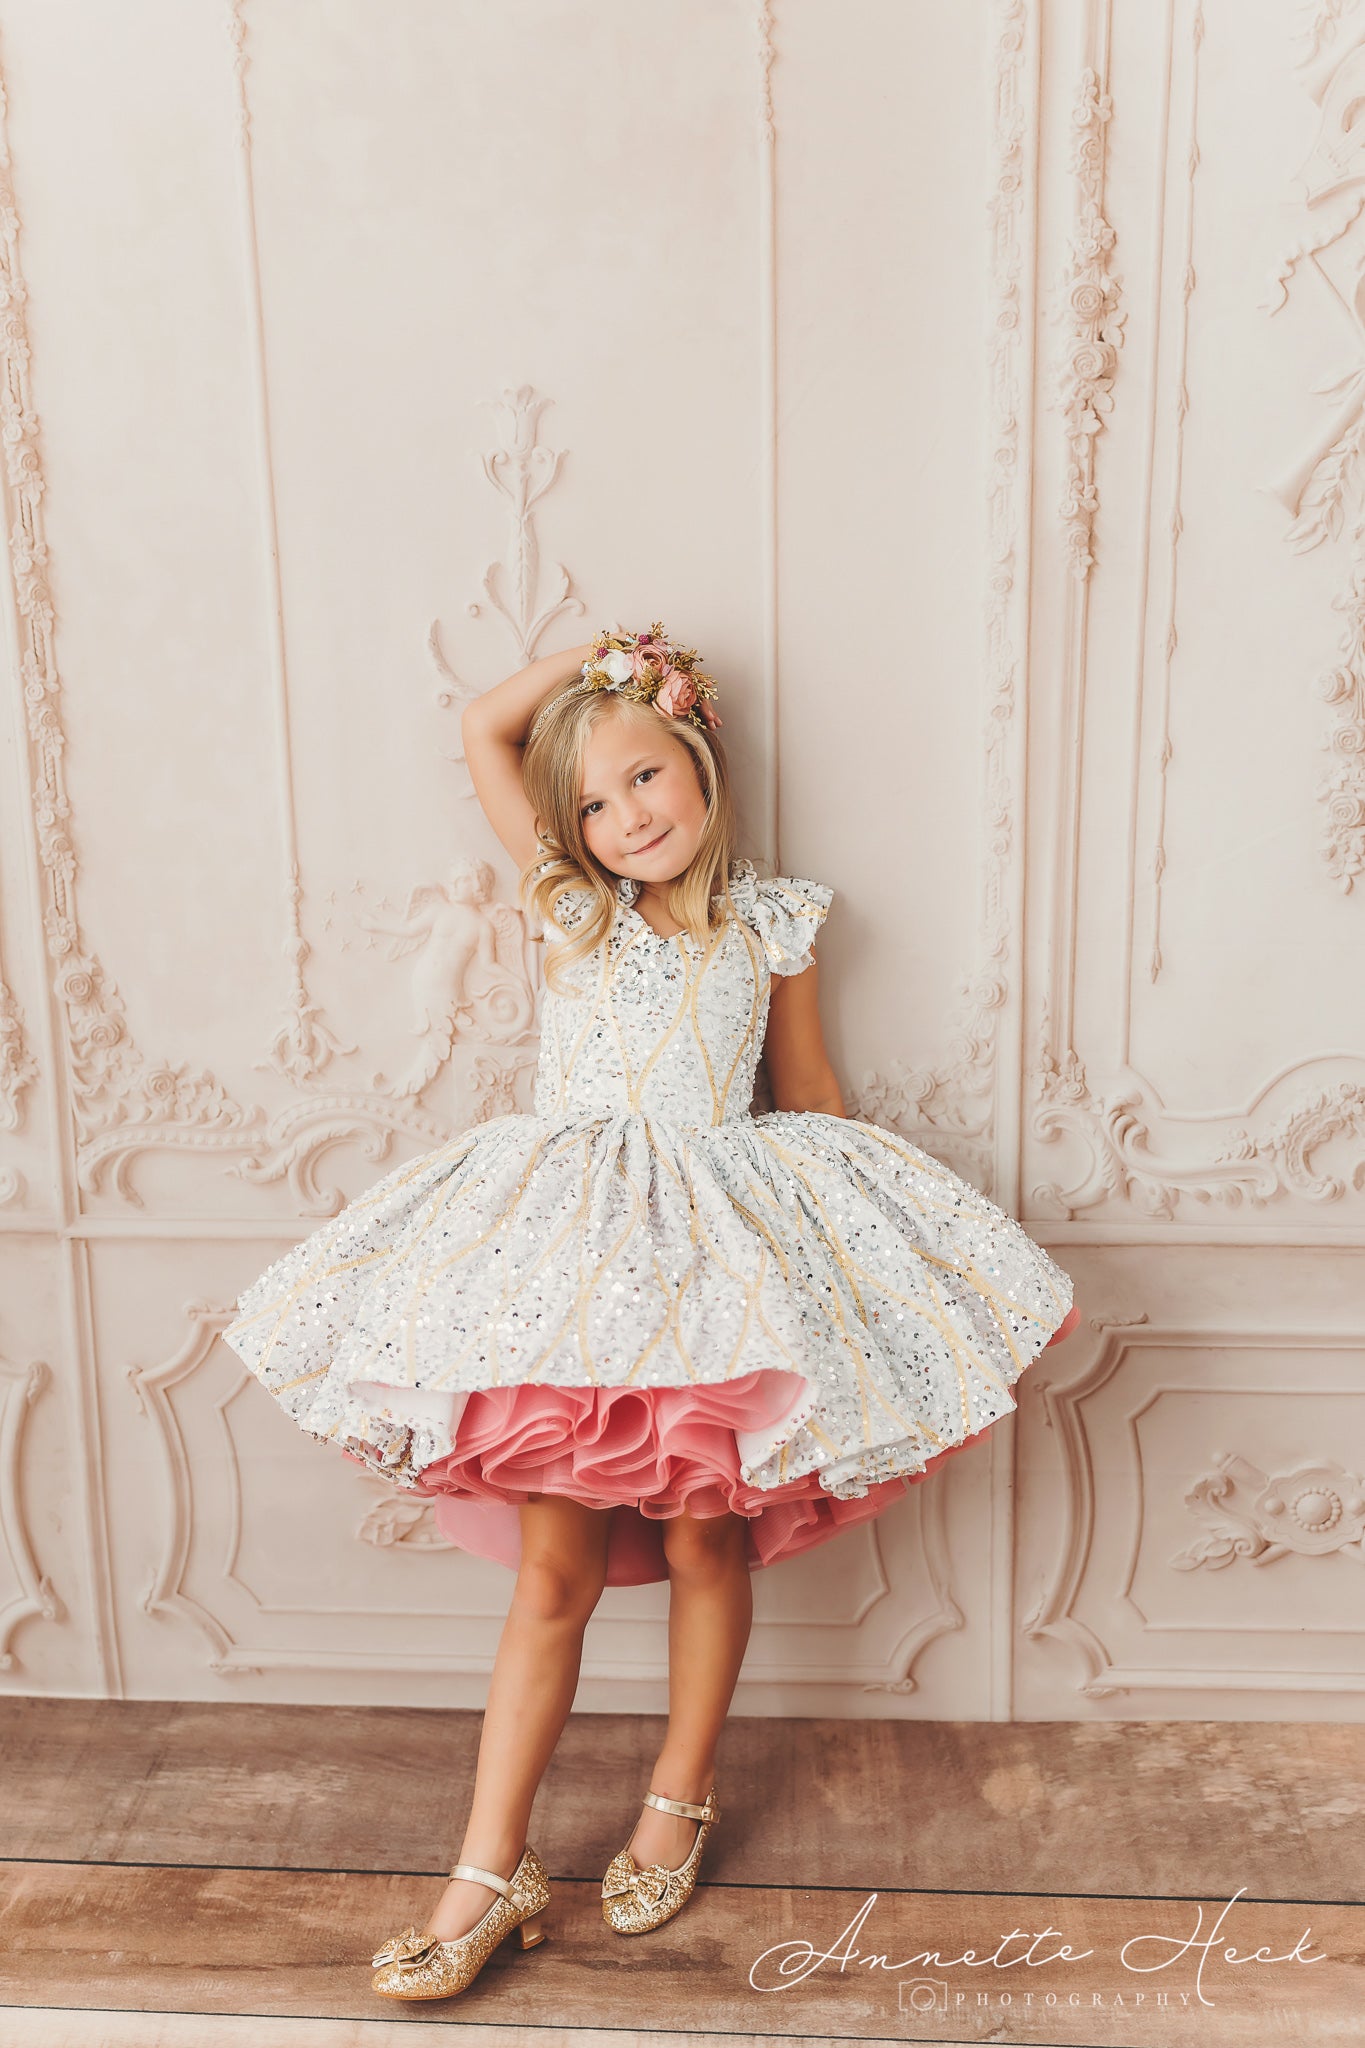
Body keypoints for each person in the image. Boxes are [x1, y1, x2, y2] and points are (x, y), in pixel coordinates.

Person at [221, 622, 1081, 2002]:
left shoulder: (773, 921)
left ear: (697, 762)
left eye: (644, 777)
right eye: (594, 803)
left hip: (707, 1275)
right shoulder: (570, 907)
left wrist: (868, 1266)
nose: (625, 817)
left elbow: (805, 1093)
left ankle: (678, 1795)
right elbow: (479, 732)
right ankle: (485, 1868)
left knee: (702, 1552)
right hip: (569, 1281)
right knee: (551, 1576)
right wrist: (598, 658)